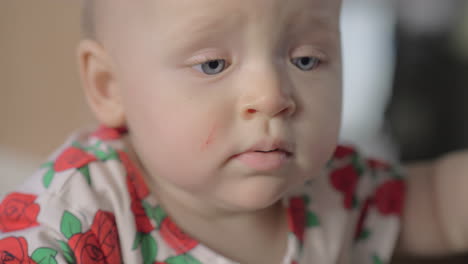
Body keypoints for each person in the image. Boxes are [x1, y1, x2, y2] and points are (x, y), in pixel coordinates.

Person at [0, 0, 467, 263]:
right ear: (110, 86)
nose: (271, 96)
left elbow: (442, 206)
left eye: (306, 59)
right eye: (212, 64)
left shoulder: (337, 189)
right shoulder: (70, 222)